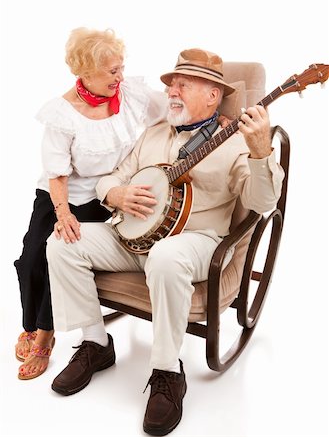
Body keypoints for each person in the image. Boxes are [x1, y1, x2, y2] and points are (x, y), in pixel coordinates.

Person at [46, 48, 284, 435]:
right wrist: (115, 196)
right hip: (134, 237)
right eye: (172, 83)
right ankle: (95, 343)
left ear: (213, 95)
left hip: (195, 243)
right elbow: (111, 177)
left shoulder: (235, 141)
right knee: (62, 242)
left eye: (183, 84)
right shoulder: (155, 133)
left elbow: (262, 203)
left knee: (167, 256)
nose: (172, 90)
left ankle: (167, 371)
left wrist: (260, 151)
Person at [14, 27, 167, 381]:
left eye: (121, 67)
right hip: (63, 193)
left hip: (106, 193)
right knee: (32, 257)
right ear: (85, 72)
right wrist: (63, 213)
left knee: (61, 252)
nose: (120, 76)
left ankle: (44, 333)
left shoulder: (132, 95)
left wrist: (214, 119)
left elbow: (173, 111)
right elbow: (57, 176)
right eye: (112, 71)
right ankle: (32, 322)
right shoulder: (62, 113)